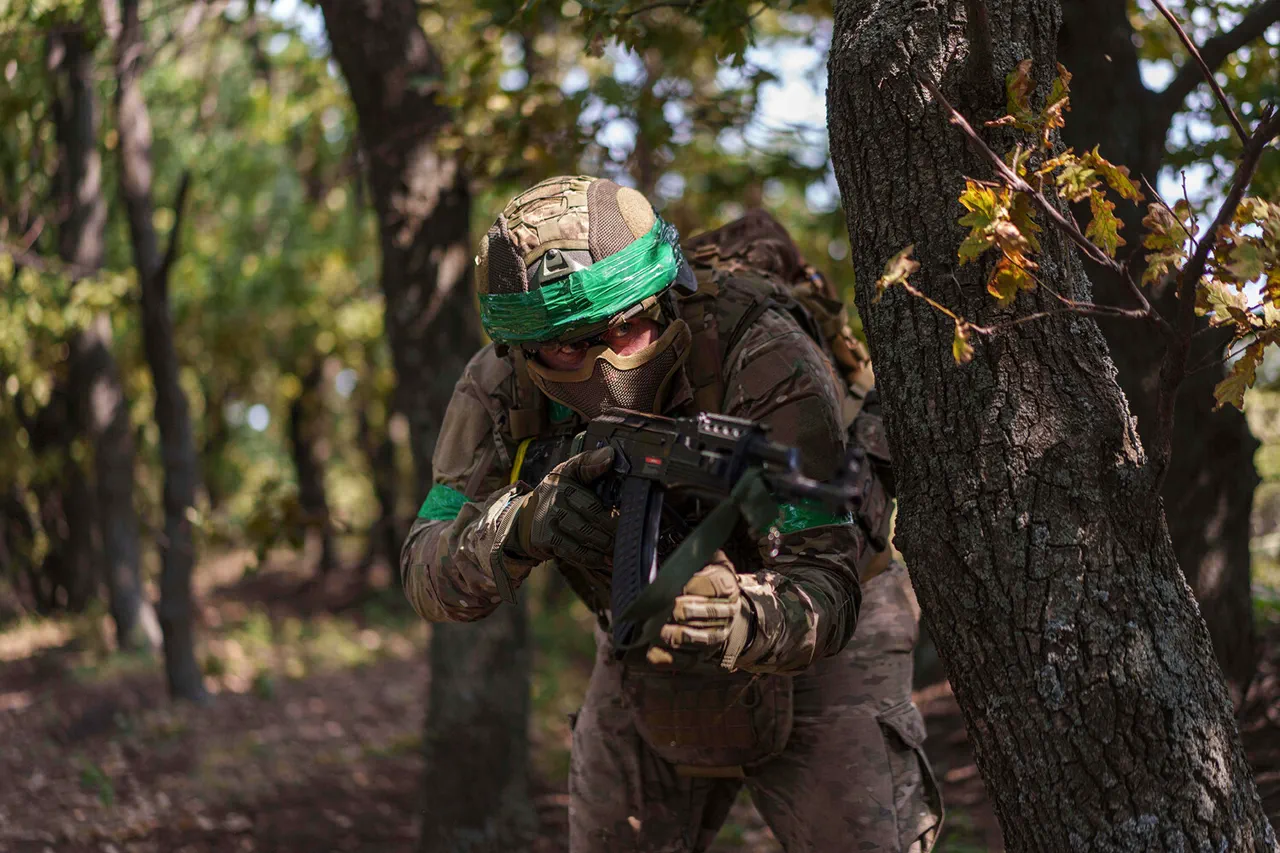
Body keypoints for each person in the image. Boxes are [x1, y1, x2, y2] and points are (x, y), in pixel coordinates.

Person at [401, 175, 942, 852]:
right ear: (525, 346)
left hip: (825, 637)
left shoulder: (758, 349)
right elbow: (424, 563)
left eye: (626, 328)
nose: (605, 361)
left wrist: (742, 617)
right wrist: (518, 528)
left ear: (661, 296)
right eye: (570, 346)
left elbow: (827, 582)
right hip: (643, 629)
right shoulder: (498, 386)